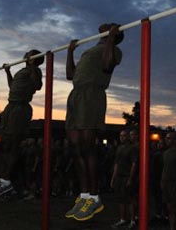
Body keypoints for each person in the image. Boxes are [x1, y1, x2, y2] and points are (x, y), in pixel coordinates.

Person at [64, 23, 124, 221]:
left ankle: (95, 195)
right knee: (75, 147)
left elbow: (106, 66)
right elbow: (70, 75)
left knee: (88, 146)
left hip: (92, 94)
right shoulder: (90, 50)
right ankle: (84, 195)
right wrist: (70, 52)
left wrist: (110, 39)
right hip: (76, 94)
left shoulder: (114, 50)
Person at [0, 50, 43, 197]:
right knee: (5, 144)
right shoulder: (22, 70)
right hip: (10, 107)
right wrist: (8, 72)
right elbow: (12, 86)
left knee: (13, 144)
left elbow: (38, 85)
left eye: (31, 54)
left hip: (21, 108)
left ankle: (6, 180)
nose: (27, 54)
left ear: (34, 59)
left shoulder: (36, 71)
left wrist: (34, 65)